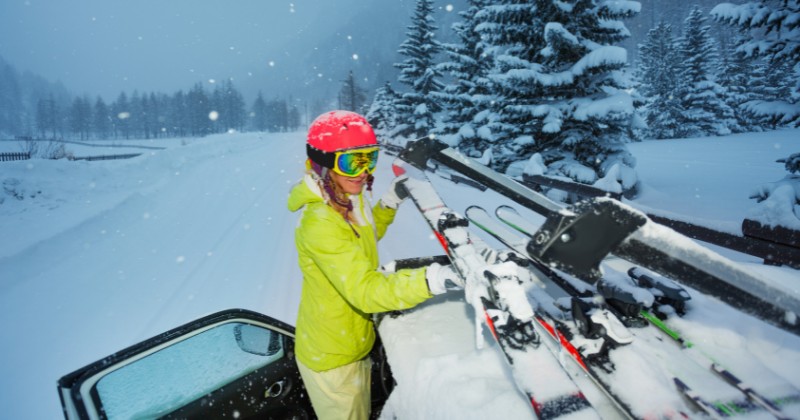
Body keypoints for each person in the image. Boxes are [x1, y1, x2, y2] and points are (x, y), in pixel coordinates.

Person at [287, 110, 461, 419]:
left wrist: (390, 202)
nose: (362, 171)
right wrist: (435, 279)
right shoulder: (320, 222)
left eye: (369, 158)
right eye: (351, 162)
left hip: (353, 341)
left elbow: (364, 237)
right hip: (333, 358)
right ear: (323, 163)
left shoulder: (345, 198)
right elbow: (365, 291)